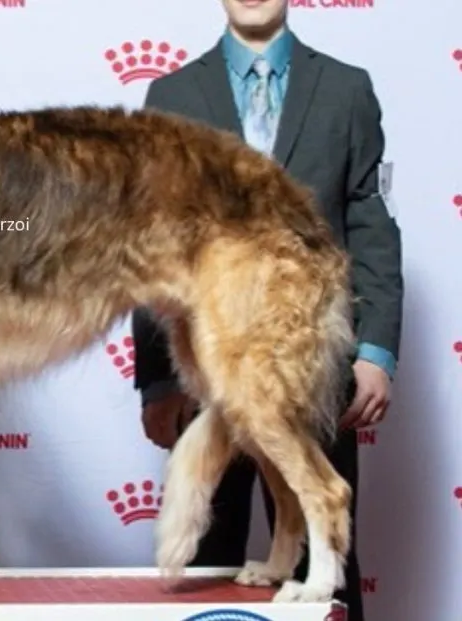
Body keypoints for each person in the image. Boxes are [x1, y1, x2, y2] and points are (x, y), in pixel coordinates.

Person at [131, 1, 402, 620]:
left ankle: (310, 565)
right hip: (210, 358)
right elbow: (150, 242)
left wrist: (377, 348)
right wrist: (158, 379)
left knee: (328, 566)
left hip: (317, 354)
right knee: (210, 570)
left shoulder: (346, 88)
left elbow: (372, 225)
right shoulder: (172, 93)